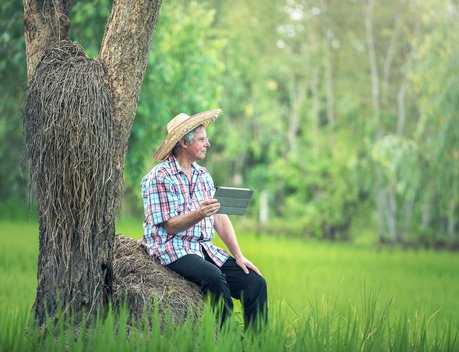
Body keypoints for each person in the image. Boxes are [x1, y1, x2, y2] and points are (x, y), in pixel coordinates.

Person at [141, 109, 267, 329]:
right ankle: (230, 341)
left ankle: (258, 344)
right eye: (201, 139)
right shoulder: (159, 177)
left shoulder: (203, 176)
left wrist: (238, 255)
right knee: (214, 277)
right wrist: (199, 213)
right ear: (183, 143)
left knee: (255, 283)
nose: (207, 144)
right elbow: (169, 227)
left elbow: (219, 216)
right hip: (171, 248)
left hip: (202, 248)